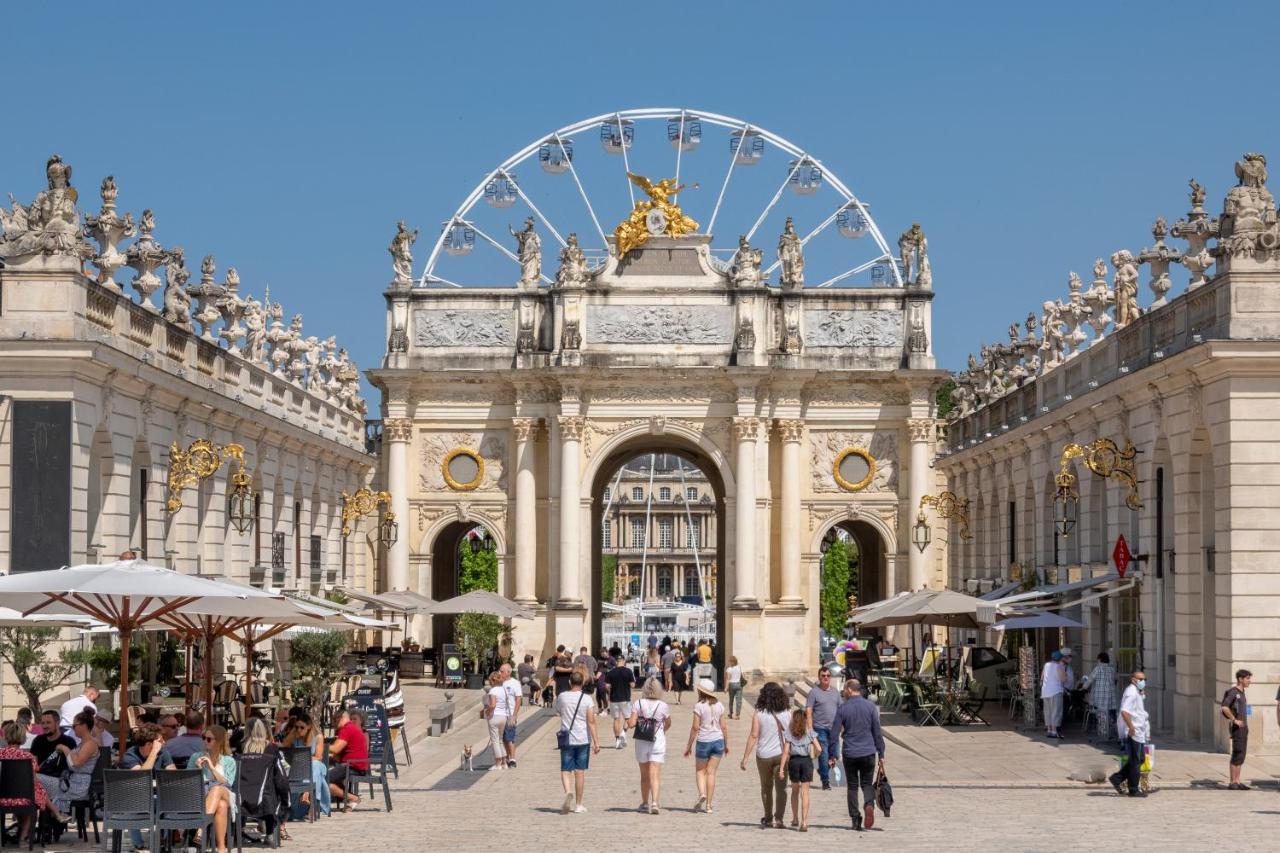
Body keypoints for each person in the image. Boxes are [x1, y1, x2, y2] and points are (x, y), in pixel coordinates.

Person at [830, 678, 885, 831]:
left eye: (844, 690)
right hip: (868, 751)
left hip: (850, 752)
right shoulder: (870, 707)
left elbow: (834, 734)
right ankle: (869, 805)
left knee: (852, 786)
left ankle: (855, 818)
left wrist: (831, 755)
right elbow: (877, 732)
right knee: (867, 783)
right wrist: (881, 753)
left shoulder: (843, 708)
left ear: (849, 690)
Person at [739, 681, 789, 829]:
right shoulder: (787, 712)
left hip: (763, 755)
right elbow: (791, 734)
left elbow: (754, 735)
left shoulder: (759, 713)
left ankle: (768, 818)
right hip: (782, 754)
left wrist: (745, 757)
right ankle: (779, 819)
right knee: (782, 789)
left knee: (766, 788)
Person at [36, 709, 99, 825]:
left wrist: (64, 749)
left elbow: (76, 764)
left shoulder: (90, 744)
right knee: (33, 782)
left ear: (84, 726)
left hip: (77, 786)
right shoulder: (83, 743)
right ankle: (54, 815)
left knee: (33, 778)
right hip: (71, 782)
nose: (73, 728)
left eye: (74, 725)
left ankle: (52, 816)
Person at [238, 718, 291, 842]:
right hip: (265, 797)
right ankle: (270, 832)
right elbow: (280, 775)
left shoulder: (241, 747)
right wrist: (285, 800)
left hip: (242, 796)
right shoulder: (271, 748)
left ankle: (239, 830)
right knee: (271, 784)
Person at [555, 669, 600, 815]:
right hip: (582, 739)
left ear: (570, 682)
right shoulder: (587, 699)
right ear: (582, 683)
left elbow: (559, 712)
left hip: (566, 738)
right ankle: (579, 804)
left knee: (565, 769)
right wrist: (596, 741)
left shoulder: (562, 696)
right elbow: (591, 721)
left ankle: (568, 791)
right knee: (579, 771)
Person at [626, 677, 672, 814]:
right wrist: (662, 730)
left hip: (641, 740)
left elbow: (631, 724)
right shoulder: (663, 705)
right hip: (657, 740)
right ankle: (655, 803)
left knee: (644, 775)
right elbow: (668, 722)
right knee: (655, 774)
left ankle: (645, 803)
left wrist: (629, 720)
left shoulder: (638, 703)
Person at [1, 719, 52, 841]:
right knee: (36, 795)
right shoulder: (28, 757)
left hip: (2, 798)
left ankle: (18, 832)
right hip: (23, 799)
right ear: (23, 738)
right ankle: (24, 836)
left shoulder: (1, 754)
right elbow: (33, 781)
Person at [188, 724, 237, 853]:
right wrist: (198, 769)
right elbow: (188, 782)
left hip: (226, 793)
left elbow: (227, 783)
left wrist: (211, 767)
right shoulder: (196, 757)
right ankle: (221, 848)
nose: (205, 741)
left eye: (209, 739)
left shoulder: (228, 760)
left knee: (217, 789)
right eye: (204, 738)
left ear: (219, 741)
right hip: (203, 796)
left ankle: (201, 829)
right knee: (221, 805)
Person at [684, 679, 727, 814]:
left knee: (700, 771)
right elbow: (724, 726)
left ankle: (702, 793)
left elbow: (695, 727)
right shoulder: (719, 705)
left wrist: (689, 745)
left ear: (701, 691)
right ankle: (709, 805)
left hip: (704, 741)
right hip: (718, 740)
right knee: (711, 773)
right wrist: (726, 744)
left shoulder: (699, 706)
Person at [1108, 670, 1149, 798]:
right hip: (1134, 730)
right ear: (1133, 679)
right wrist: (1131, 727)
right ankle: (1133, 789)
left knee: (1139, 759)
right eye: (1140, 679)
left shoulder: (1136, 691)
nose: (1143, 682)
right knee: (1136, 760)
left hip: (1139, 730)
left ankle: (1117, 778)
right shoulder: (1131, 692)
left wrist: (1141, 693)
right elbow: (1124, 712)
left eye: (1144, 679)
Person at [287, 711, 331, 817]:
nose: (298, 729)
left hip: (316, 765)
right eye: (296, 727)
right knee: (309, 768)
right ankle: (310, 801)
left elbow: (319, 757)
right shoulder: (295, 736)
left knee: (315, 765)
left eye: (302, 727)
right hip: (299, 768)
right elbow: (285, 747)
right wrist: (292, 733)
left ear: (309, 726)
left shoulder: (318, 737)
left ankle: (306, 793)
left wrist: (304, 759)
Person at [780, 707, 818, 832]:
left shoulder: (789, 732)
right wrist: (815, 755)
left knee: (795, 791)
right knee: (805, 792)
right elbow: (820, 749)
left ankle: (795, 818)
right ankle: (804, 822)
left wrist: (781, 769)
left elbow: (785, 752)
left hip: (794, 762)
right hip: (806, 761)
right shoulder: (810, 732)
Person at [805, 666, 840, 790]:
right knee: (824, 754)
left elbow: (841, 709)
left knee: (836, 754)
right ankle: (825, 781)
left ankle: (822, 769)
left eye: (828, 676)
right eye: (823, 675)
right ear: (819, 677)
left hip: (834, 729)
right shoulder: (814, 692)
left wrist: (843, 726)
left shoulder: (835, 692)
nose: (826, 677)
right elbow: (808, 711)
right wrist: (810, 728)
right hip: (820, 729)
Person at [328, 709, 368, 808]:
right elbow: (339, 753)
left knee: (324, 779)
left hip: (352, 766)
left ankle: (352, 798)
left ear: (341, 718)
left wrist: (320, 746)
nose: (334, 723)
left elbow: (336, 749)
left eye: (335, 719)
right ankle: (350, 797)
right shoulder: (351, 728)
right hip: (356, 765)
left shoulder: (347, 729)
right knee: (327, 778)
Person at [1221, 669, 1252, 790]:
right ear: (1240, 679)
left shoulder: (1242, 693)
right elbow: (1224, 707)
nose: (1250, 681)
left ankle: (1237, 781)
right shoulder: (1233, 692)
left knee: (1241, 755)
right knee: (1237, 753)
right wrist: (1234, 720)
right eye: (1247, 678)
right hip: (1237, 728)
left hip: (1244, 729)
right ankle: (1232, 782)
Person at [604, 654, 637, 749]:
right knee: (628, 718)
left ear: (616, 662)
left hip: (614, 699)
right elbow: (632, 685)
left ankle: (617, 740)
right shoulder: (628, 671)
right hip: (625, 698)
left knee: (616, 719)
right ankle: (624, 732)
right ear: (623, 661)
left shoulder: (611, 672)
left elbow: (607, 686)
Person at [496, 662, 522, 768]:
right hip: (501, 714)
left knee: (510, 737)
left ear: (508, 672)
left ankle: (512, 758)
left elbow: (518, 699)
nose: (500, 673)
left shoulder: (515, 683)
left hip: (510, 714)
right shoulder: (499, 683)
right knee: (503, 738)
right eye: (500, 671)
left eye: (502, 671)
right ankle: (506, 757)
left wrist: (514, 715)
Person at [1040, 650, 1066, 739]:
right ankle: (1054, 731)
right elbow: (1063, 679)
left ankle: (1049, 730)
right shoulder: (1059, 666)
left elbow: (1042, 677)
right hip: (1055, 691)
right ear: (1059, 658)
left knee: (1047, 711)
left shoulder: (1046, 665)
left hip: (1045, 691)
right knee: (1056, 710)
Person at [724, 656, 744, 720]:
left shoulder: (729, 669)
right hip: (739, 685)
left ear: (731, 662)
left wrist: (726, 688)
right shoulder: (739, 667)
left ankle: (730, 714)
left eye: (729, 661)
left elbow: (728, 679)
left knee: (731, 700)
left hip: (732, 685)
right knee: (739, 701)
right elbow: (742, 676)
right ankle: (737, 715)